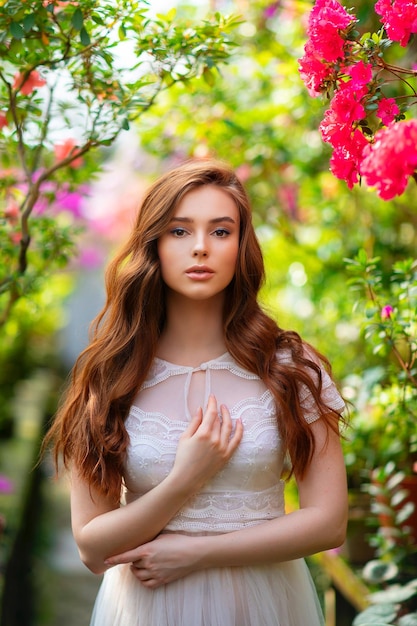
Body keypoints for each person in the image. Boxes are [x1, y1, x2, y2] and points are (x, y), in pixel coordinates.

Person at [44, 158, 348, 626]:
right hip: (148, 607)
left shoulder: (290, 367)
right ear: (154, 246)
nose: (201, 248)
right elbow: (92, 546)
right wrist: (186, 477)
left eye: (221, 231)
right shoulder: (112, 374)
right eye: (180, 231)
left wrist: (198, 553)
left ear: (241, 247)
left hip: (264, 604)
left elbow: (329, 522)